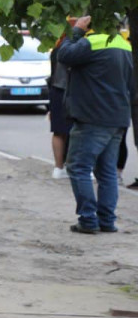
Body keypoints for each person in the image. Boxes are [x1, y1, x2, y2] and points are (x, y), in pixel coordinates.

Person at [58, 15, 135, 234]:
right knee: (107, 172)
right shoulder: (123, 44)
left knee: (78, 167)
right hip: (117, 117)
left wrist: (76, 31)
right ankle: (107, 221)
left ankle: (88, 219)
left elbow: (64, 55)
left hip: (92, 118)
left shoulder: (92, 42)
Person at [48, 34, 73, 179]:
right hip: (71, 91)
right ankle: (74, 166)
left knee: (58, 131)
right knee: (76, 131)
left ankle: (58, 168)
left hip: (56, 90)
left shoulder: (57, 48)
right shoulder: (75, 48)